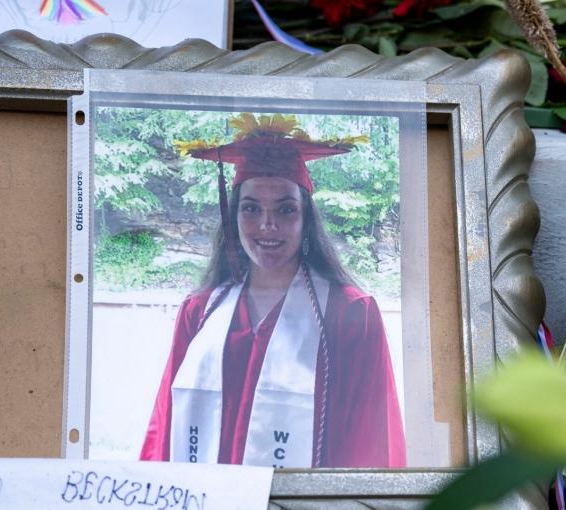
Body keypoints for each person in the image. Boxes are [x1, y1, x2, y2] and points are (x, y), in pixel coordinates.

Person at [140, 114, 406, 468]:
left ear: (305, 219)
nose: (268, 224)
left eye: (285, 209)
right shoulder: (199, 312)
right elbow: (165, 426)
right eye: (251, 208)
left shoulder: (350, 313)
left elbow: (371, 440)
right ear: (234, 216)